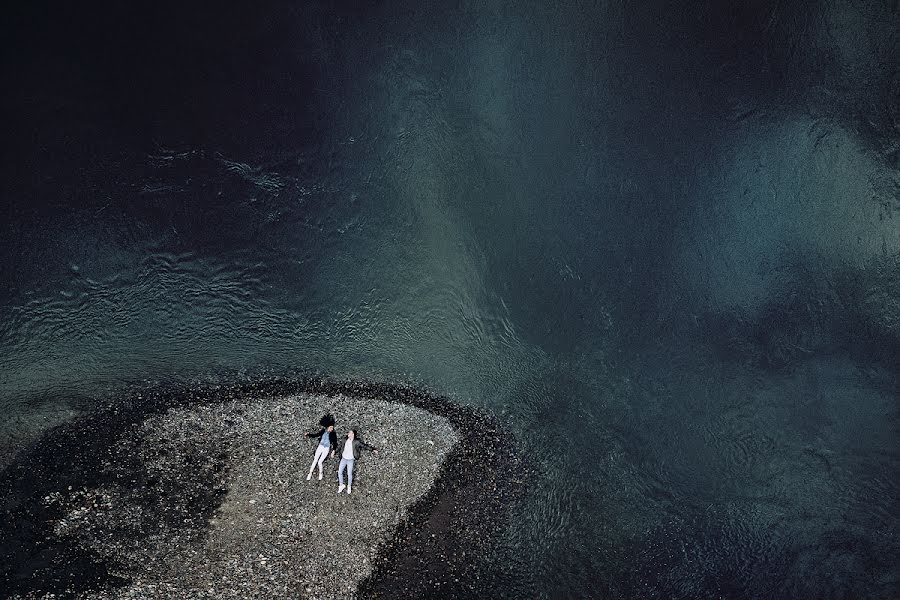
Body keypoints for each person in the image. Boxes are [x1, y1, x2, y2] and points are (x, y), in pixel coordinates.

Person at [337, 429, 378, 495]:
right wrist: (334, 451)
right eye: (348, 433)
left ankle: (349, 486)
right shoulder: (345, 439)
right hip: (343, 458)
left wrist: (372, 449)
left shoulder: (356, 441)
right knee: (339, 472)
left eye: (350, 433)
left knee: (349, 474)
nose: (348, 434)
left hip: (350, 459)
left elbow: (364, 446)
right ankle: (341, 485)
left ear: (353, 434)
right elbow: (340, 446)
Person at [305, 414, 337, 481]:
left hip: (326, 448)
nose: (332, 429)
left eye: (332, 428)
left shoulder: (333, 434)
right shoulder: (323, 431)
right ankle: (310, 473)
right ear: (327, 427)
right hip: (320, 447)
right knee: (315, 460)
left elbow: (335, 443)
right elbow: (316, 435)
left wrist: (333, 450)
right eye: (331, 427)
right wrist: (308, 434)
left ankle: (320, 473)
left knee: (320, 462)